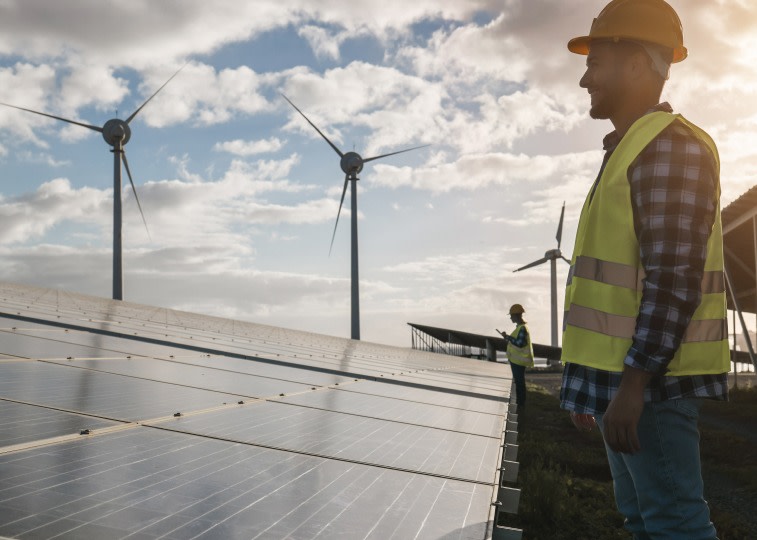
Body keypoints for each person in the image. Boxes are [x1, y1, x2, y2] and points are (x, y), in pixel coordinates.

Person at [560, 1, 729, 538]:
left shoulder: (670, 148)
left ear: (635, 64)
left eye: (596, 62)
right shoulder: (630, 149)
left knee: (675, 524)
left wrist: (633, 385)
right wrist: (587, 386)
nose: (585, 79)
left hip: (649, 386)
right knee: (644, 521)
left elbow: (673, 277)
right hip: (621, 383)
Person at [498, 303, 533, 410]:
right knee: (519, 382)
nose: (510, 317)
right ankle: (520, 403)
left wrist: (508, 337)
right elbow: (517, 342)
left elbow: (520, 343)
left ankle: (521, 404)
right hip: (517, 361)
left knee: (519, 382)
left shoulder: (522, 328)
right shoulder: (520, 328)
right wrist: (507, 337)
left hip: (519, 361)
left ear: (517, 315)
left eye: (511, 315)